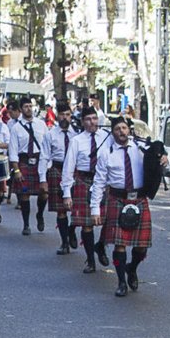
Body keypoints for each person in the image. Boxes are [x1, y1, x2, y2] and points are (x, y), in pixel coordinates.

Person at [89, 117, 169, 296]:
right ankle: (121, 282)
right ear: (113, 132)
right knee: (120, 245)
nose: (122, 132)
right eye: (117, 129)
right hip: (117, 199)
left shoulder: (141, 149)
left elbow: (160, 159)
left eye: (124, 128)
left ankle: (131, 268)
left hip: (139, 199)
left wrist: (164, 158)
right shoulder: (106, 152)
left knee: (141, 247)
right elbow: (99, 182)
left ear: (129, 130)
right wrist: (95, 209)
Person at [60, 107, 108, 273]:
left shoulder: (107, 137)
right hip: (84, 181)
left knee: (108, 221)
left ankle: (100, 245)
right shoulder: (77, 141)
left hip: (103, 182)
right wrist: (67, 193)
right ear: (82, 122)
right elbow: (68, 167)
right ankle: (90, 260)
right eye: (88, 119)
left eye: (94, 118)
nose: (92, 122)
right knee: (87, 225)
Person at [8, 96, 50, 235]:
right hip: (24, 161)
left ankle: (39, 214)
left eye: (30, 106)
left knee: (44, 193)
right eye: (26, 107)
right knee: (24, 194)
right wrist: (17, 170)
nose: (29, 109)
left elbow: (48, 145)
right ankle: (26, 224)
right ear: (21, 109)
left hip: (40, 161)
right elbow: (13, 150)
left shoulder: (41, 124)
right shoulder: (16, 128)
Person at [42, 103, 79, 254]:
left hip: (75, 172)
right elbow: (44, 157)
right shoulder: (50, 134)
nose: (65, 117)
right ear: (57, 116)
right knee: (61, 210)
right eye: (62, 114)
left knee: (78, 209)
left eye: (68, 115)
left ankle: (72, 229)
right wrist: (42, 179)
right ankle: (64, 243)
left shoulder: (77, 134)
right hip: (57, 170)